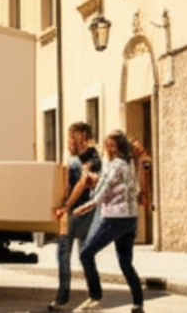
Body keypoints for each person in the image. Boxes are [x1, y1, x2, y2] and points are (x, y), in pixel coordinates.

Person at [72, 130, 144, 313]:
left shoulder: (116, 165)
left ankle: (95, 298)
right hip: (129, 219)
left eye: (113, 145)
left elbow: (105, 189)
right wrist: (95, 185)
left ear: (120, 147)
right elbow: (111, 186)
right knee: (125, 262)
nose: (109, 149)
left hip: (115, 218)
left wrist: (86, 206)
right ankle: (138, 304)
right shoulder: (124, 164)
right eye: (107, 145)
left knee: (86, 253)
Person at [48, 122, 102, 311]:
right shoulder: (75, 158)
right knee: (85, 254)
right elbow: (69, 185)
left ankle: (62, 299)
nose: (69, 141)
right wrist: (61, 203)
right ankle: (94, 295)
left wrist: (66, 206)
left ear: (82, 138)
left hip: (80, 211)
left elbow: (81, 184)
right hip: (77, 211)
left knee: (64, 250)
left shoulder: (92, 158)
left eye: (72, 137)